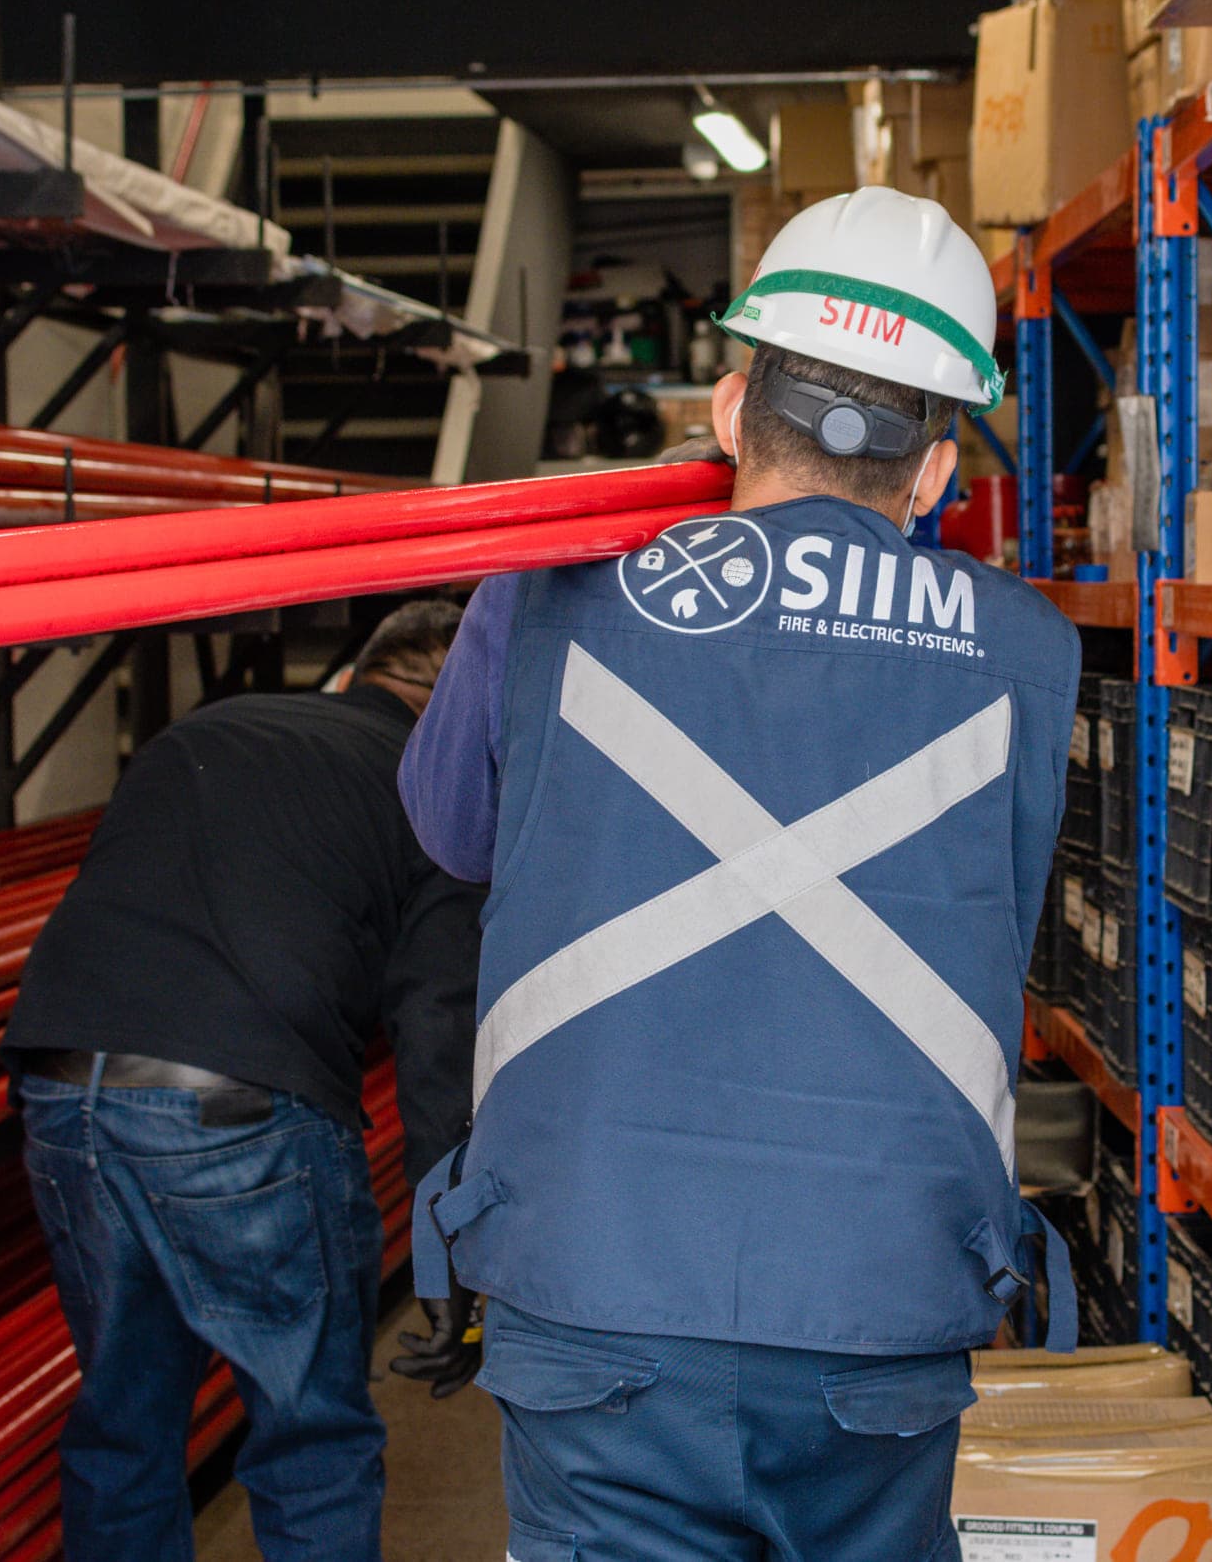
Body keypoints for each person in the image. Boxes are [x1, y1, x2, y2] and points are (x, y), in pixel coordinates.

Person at [397, 186, 1080, 1561]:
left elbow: (452, 829)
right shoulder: (1025, 650)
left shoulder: (543, 592)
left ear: (725, 409)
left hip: (596, 1274)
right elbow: (1000, 903)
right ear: (934, 472)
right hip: (879, 1286)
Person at [4, 601, 482, 1562]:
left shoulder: (212, 727)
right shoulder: (431, 788)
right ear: (454, 708)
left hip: (64, 1088)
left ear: (359, 673)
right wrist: (450, 1255)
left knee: (125, 1425)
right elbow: (437, 1034)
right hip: (239, 1107)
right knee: (311, 1437)